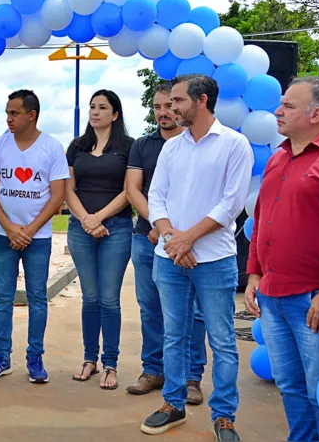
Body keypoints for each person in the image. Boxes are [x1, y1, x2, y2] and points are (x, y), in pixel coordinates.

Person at [142, 74, 253, 441]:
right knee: (173, 335)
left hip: (215, 259)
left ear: (201, 100)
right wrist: (175, 239)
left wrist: (189, 239)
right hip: (169, 257)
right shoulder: (172, 147)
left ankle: (224, 417)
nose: (172, 108)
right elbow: (155, 197)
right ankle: (172, 405)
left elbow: (232, 203)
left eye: (177, 101)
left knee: (221, 340)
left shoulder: (235, 145)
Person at [245, 78, 319, 442]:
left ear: (316, 114)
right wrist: (254, 272)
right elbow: (261, 217)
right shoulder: (278, 157)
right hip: (273, 296)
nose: (276, 111)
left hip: (314, 300)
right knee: (290, 385)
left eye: (287, 105)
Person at [124, 82, 208, 404]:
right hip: (147, 239)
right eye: (157, 107)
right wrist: (161, 228)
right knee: (151, 309)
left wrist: (172, 235)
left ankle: (191, 378)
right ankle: (154, 369)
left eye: (169, 106)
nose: (163, 113)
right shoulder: (143, 145)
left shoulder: (199, 145)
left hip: (193, 243)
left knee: (194, 313)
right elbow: (134, 189)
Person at [0, 89, 68, 384]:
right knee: (3, 297)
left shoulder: (52, 148)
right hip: (3, 236)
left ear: (32, 115)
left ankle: (35, 358)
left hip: (37, 239)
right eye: (7, 113)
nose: (8, 119)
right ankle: (1, 357)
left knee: (37, 298)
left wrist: (28, 231)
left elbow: (57, 196)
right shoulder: (1, 145)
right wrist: (8, 226)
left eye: (14, 113)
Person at [65, 89, 134, 391]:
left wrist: (100, 218)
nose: (95, 112)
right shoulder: (77, 147)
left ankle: (110, 363)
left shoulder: (129, 147)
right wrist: (86, 220)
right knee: (90, 298)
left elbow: (130, 190)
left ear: (115, 114)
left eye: (102, 107)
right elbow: (68, 189)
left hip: (116, 228)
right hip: (81, 227)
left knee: (109, 299)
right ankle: (89, 359)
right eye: (92, 107)